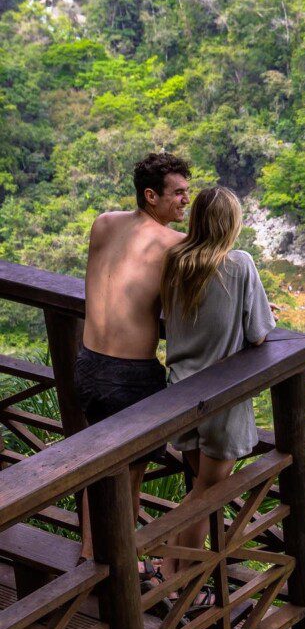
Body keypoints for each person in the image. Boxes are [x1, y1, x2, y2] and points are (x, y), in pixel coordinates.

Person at [158, 186, 276, 604]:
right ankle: (172, 570)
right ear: (231, 223)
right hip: (221, 397)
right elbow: (260, 333)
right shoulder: (240, 264)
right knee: (208, 493)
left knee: (202, 489)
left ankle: (180, 574)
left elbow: (166, 319)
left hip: (180, 393)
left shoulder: (175, 262)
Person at [75, 151, 191, 567]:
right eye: (177, 193)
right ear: (150, 196)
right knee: (130, 476)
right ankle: (123, 564)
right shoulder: (176, 245)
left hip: (87, 363)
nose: (185, 201)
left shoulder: (104, 222)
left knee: (97, 466)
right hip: (130, 374)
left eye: (187, 192)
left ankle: (90, 553)